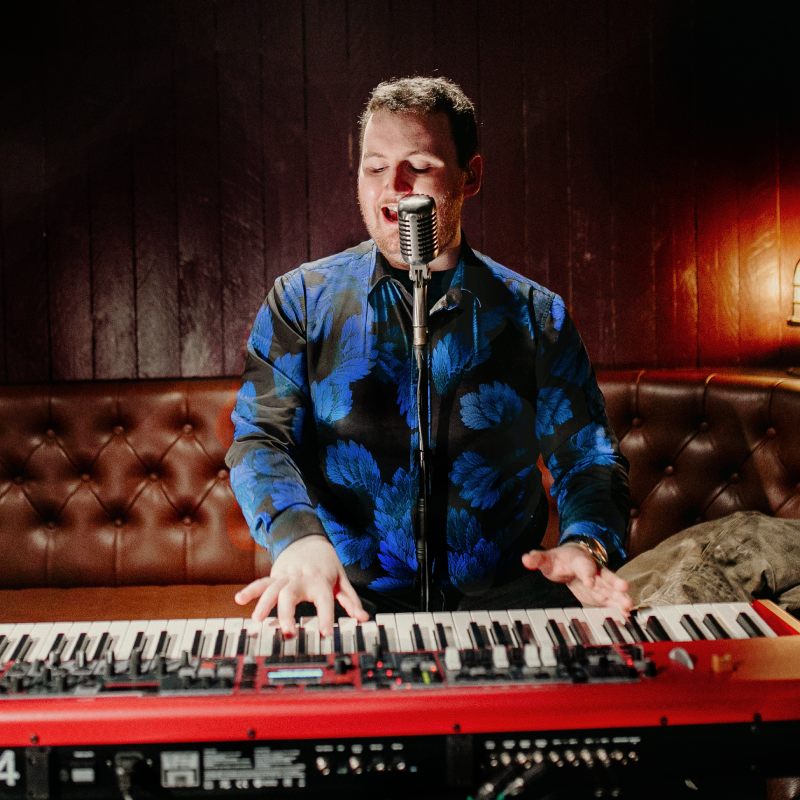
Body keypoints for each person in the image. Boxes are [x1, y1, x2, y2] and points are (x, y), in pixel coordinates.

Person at [226, 76, 632, 638]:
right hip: (346, 601)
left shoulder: (537, 316)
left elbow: (587, 455)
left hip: (507, 604)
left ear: (471, 176)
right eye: (374, 167)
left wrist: (587, 541)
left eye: (418, 164)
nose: (393, 186)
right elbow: (260, 439)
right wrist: (298, 539)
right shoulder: (301, 302)